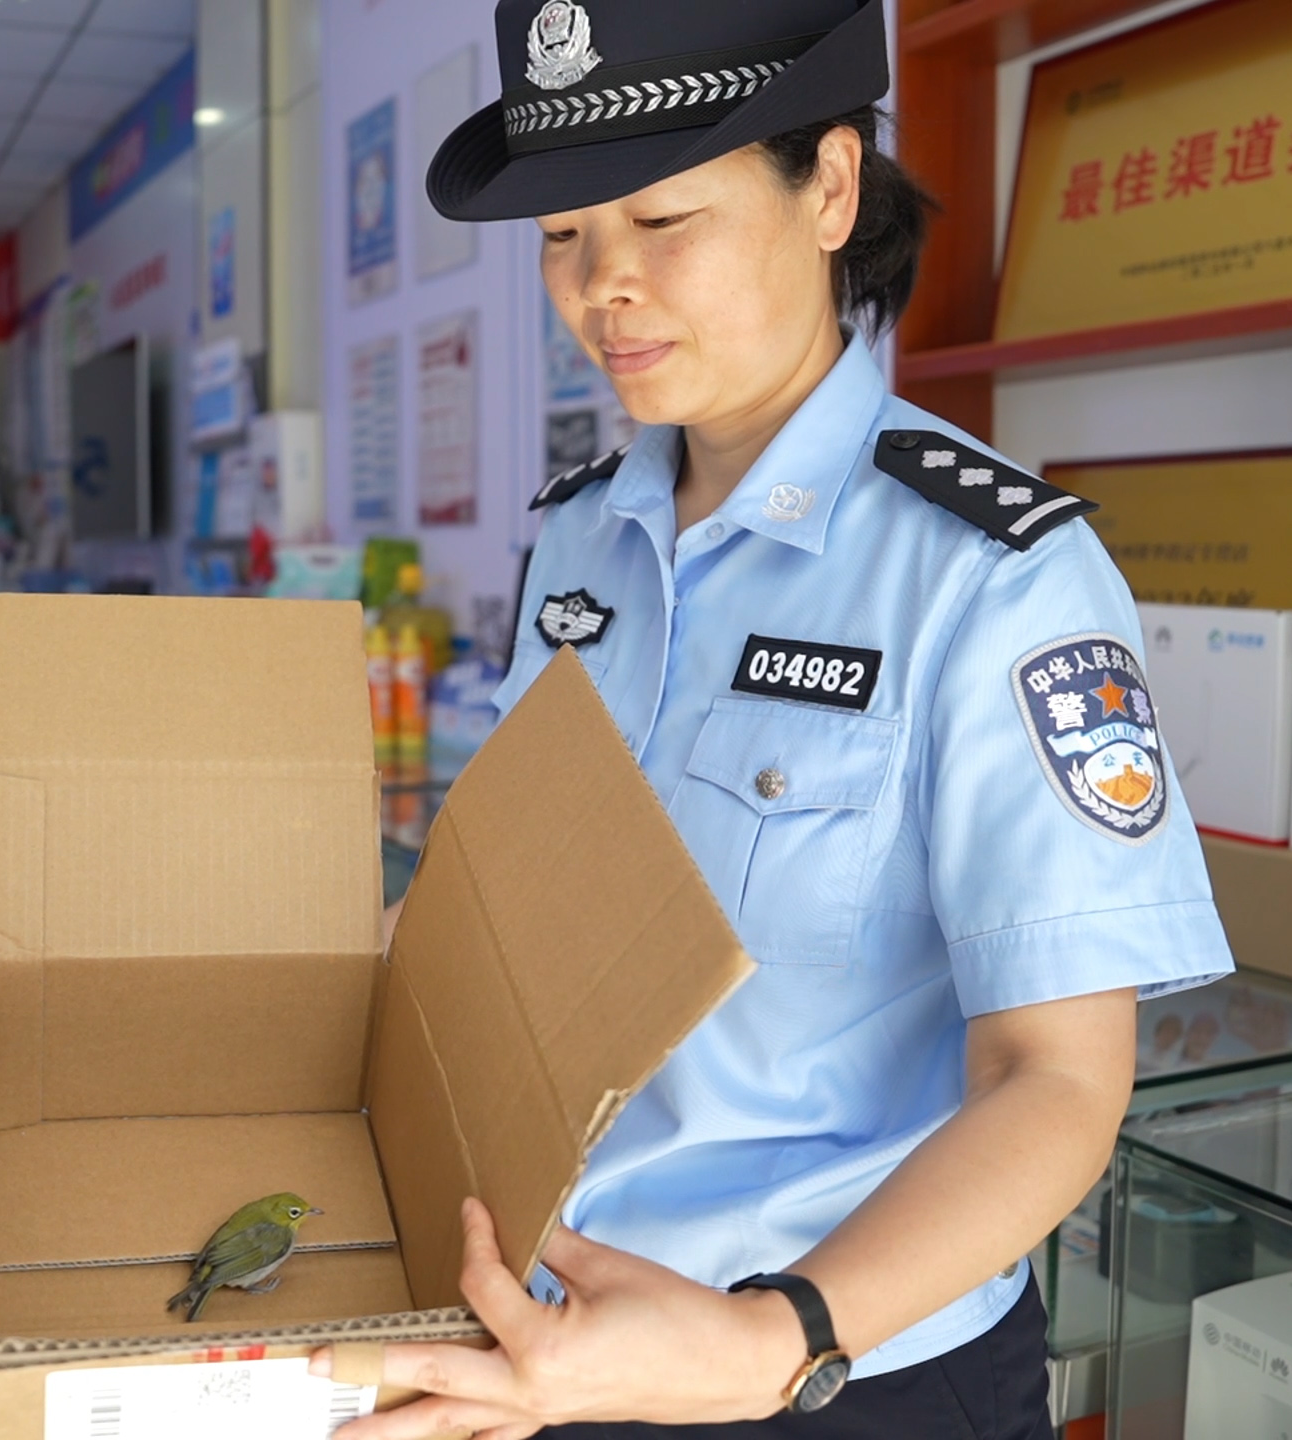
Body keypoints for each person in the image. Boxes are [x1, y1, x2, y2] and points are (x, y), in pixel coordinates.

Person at [322, 3, 1234, 1436]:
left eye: (660, 219)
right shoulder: (580, 537)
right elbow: (506, 906)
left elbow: (1055, 1081)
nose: (602, 287)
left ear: (830, 188)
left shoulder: (991, 574)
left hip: (836, 1366)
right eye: (562, 235)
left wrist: (771, 1339)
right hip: (546, 1335)